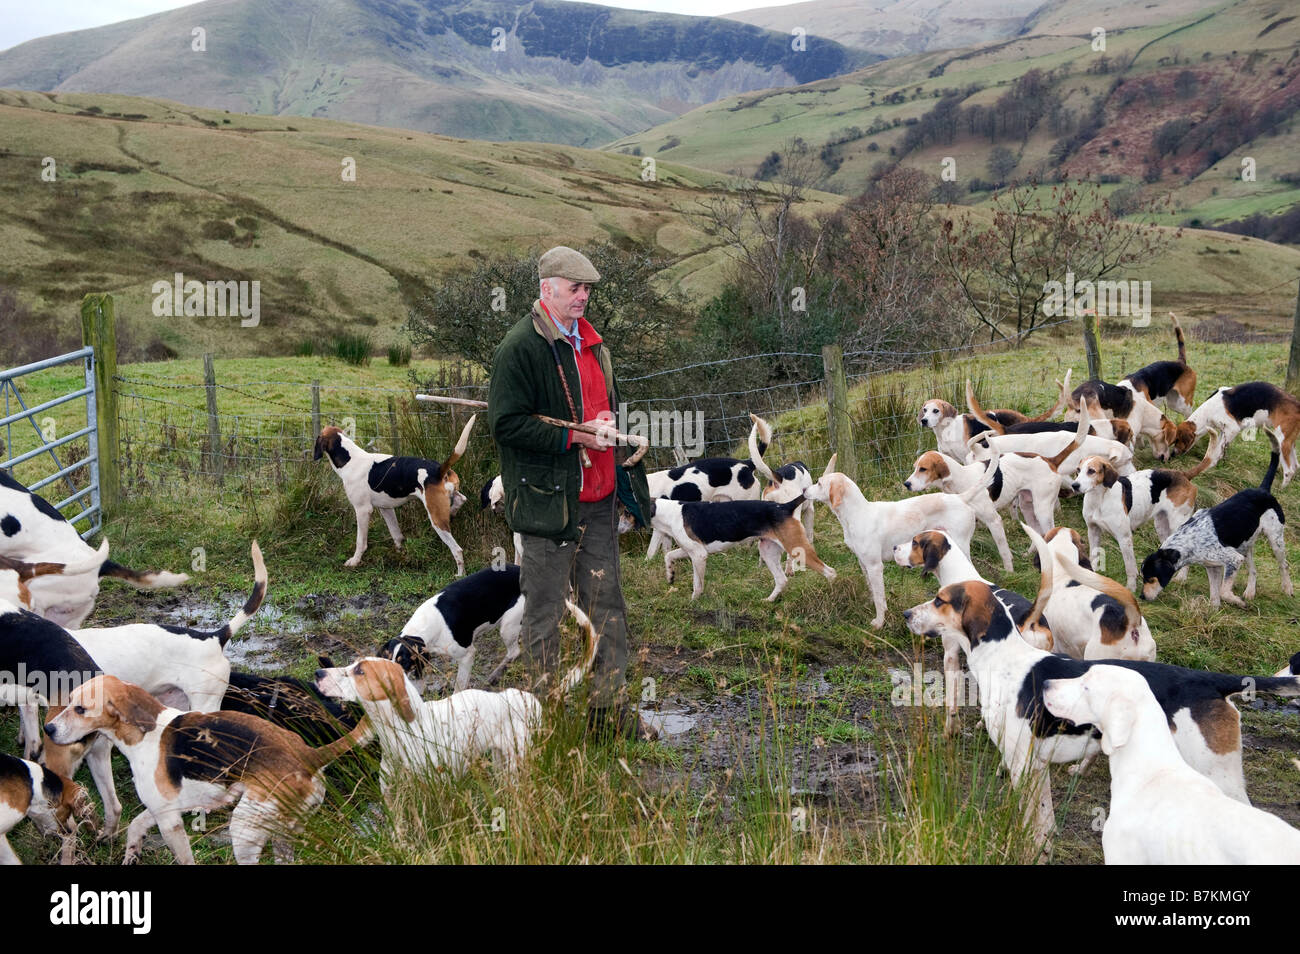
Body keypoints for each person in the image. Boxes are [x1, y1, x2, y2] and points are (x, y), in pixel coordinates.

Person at [487, 246, 657, 741]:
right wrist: (575, 436)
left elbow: (606, 408)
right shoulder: (519, 347)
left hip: (598, 500)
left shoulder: (595, 346)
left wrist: (605, 424)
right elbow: (506, 425)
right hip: (546, 506)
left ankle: (610, 713)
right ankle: (543, 721)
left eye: (587, 289)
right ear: (547, 288)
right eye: (574, 287)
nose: (583, 296)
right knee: (542, 612)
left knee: (606, 607)